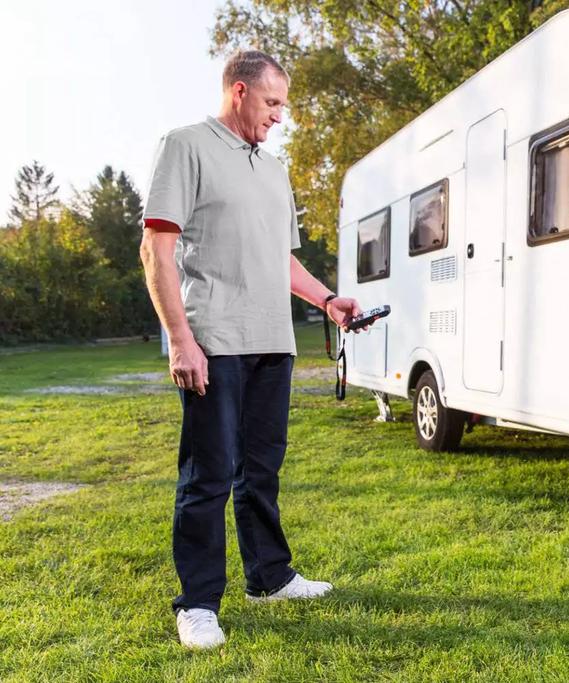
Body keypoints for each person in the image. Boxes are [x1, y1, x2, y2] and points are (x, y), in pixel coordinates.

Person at [139, 49, 364, 649]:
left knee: (260, 471)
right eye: (272, 103)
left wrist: (327, 300)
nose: (280, 116)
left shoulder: (274, 169)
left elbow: (280, 258)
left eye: (283, 105)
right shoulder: (185, 146)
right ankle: (198, 603)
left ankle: (269, 577)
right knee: (208, 476)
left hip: (273, 342)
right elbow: (157, 251)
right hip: (215, 339)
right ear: (239, 92)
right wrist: (181, 340)